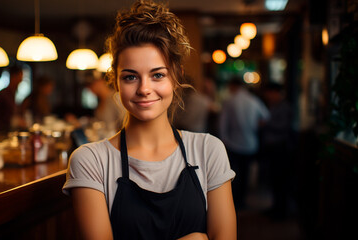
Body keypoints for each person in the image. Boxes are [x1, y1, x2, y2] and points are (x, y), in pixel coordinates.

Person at [62, 1, 237, 239]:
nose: (144, 89)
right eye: (131, 77)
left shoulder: (208, 150)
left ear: (176, 77)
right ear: (115, 81)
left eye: (157, 75)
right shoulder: (90, 161)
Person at [218, 77, 270, 210]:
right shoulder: (253, 100)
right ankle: (243, 200)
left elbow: (222, 124)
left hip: (233, 143)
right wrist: (253, 128)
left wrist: (224, 140)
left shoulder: (230, 101)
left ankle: (234, 202)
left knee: (233, 174)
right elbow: (266, 117)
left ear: (233, 86)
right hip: (251, 143)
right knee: (246, 174)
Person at [260, 82, 294, 220]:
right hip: (274, 149)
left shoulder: (284, 107)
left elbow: (284, 127)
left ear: (277, 93)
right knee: (274, 180)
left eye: (270, 93)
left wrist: (266, 124)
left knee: (280, 181)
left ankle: (281, 212)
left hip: (281, 149)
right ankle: (276, 208)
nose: (268, 96)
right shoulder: (274, 106)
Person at [0, 64, 24, 138]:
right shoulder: (3, 94)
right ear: (13, 77)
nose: (21, 81)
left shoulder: (13, 94)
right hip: (1, 133)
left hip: (10, 133)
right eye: (20, 78)